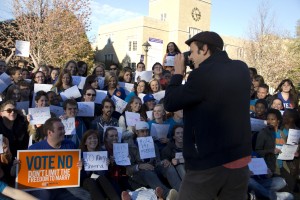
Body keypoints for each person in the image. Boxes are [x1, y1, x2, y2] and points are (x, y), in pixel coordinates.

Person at [163, 31, 252, 200]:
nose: (191, 57)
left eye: (193, 51)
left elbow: (170, 102)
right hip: (240, 159)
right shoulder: (241, 68)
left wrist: (177, 74)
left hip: (208, 163)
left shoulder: (201, 75)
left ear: (204, 49)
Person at [27, 117, 91, 200]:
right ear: (50, 133)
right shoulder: (34, 149)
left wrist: (81, 168)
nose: (64, 131)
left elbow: (81, 175)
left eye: (63, 128)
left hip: (66, 187)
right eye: (60, 129)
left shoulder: (70, 145)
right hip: (44, 187)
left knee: (85, 196)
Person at [126, 121, 180, 200]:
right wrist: (140, 166)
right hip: (140, 173)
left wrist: (163, 162)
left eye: (147, 131)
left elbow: (157, 161)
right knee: (148, 172)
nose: (145, 133)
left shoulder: (153, 144)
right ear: (137, 132)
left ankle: (181, 191)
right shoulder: (130, 147)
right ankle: (167, 194)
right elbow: (128, 170)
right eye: (142, 131)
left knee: (168, 167)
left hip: (154, 168)